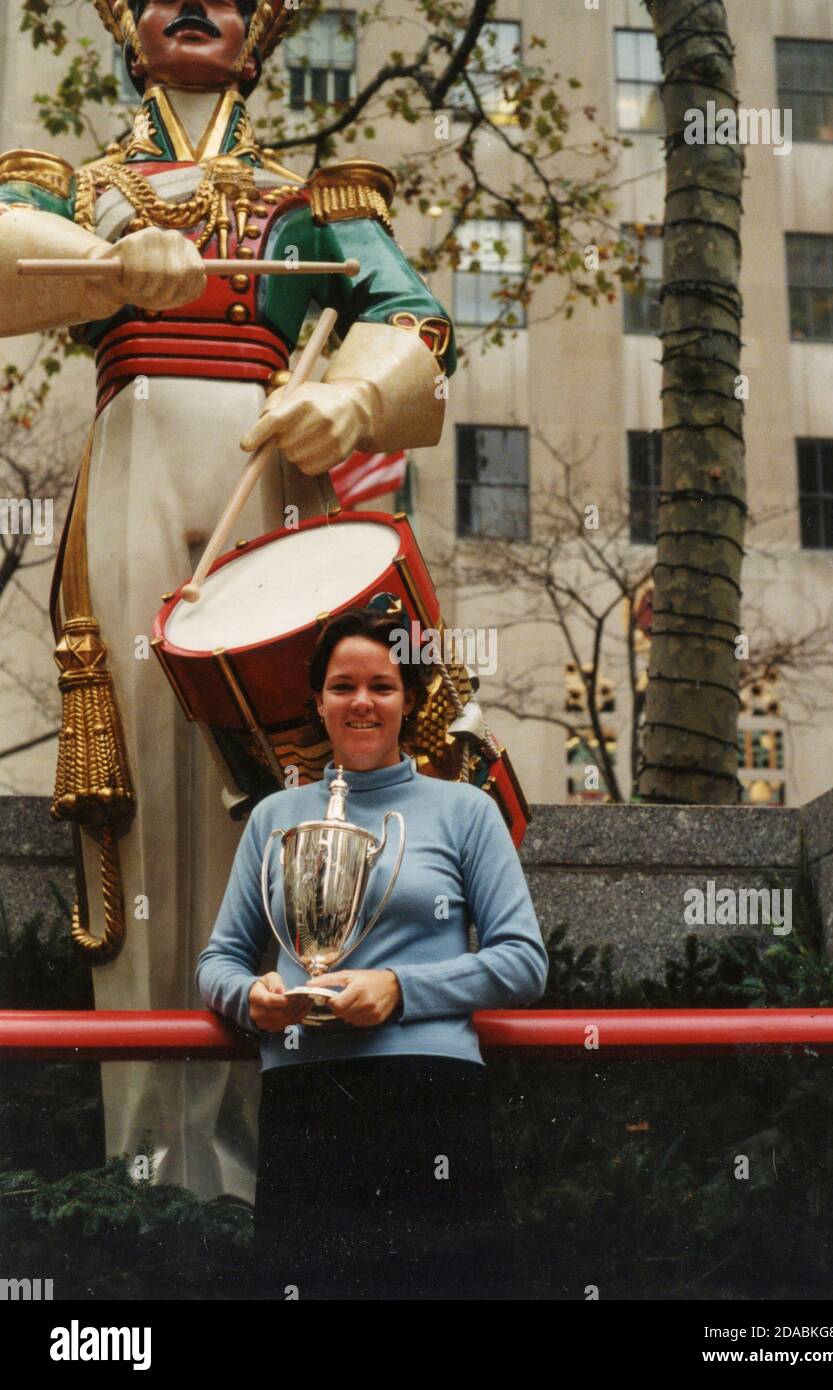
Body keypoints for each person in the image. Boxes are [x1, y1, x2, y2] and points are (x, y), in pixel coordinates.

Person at [0, 0, 455, 1201]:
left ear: (259, 31)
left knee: (283, 797)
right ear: (129, 25)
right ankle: (149, 1175)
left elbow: (414, 324)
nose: (196, 3)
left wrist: (351, 399)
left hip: (275, 485)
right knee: (148, 797)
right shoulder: (72, 177)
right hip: (138, 464)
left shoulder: (319, 195)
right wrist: (105, 266)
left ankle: (261, 1175)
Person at [196, 606, 549, 1299]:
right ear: (318, 702)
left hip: (429, 1096)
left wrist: (401, 988)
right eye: (342, 686)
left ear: (409, 700)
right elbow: (219, 960)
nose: (361, 702)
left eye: (381, 686)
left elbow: (523, 961)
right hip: (306, 1098)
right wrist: (253, 998)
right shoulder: (274, 816)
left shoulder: (464, 810)